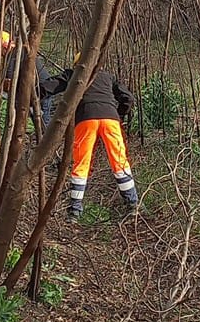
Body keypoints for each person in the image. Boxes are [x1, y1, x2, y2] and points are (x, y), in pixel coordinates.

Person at [56, 61, 138, 222]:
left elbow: (50, 86)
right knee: (120, 161)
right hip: (110, 119)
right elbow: (128, 97)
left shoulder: (73, 75)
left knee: (81, 163)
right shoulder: (107, 76)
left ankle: (74, 211)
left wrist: (32, 91)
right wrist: (119, 113)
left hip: (86, 119)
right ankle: (132, 204)